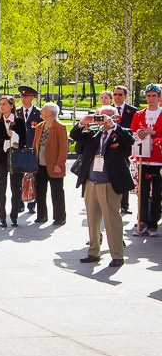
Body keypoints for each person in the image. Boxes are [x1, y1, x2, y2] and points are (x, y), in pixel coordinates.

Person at [70, 105, 134, 266]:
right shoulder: (93, 132)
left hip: (110, 182)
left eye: (105, 117)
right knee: (92, 218)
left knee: (112, 219)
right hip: (91, 181)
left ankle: (117, 255)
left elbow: (129, 141)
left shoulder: (121, 133)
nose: (101, 120)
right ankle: (93, 251)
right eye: (99, 116)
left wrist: (113, 126)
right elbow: (75, 135)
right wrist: (82, 123)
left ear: (115, 118)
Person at [0, 95, 27, 228]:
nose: (1, 106)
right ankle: (2, 217)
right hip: (0, 159)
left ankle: (14, 216)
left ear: (11, 106)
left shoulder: (19, 122)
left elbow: (24, 140)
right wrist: (6, 140)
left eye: (4, 104)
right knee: (1, 188)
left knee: (16, 189)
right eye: (0, 104)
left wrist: (16, 143)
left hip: (16, 159)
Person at [131, 84, 162, 237]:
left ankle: (153, 223)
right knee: (142, 191)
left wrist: (153, 132)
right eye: (148, 96)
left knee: (157, 192)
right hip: (142, 158)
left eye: (154, 96)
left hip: (158, 159)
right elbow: (133, 132)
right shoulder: (139, 114)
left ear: (159, 97)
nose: (151, 99)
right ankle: (142, 220)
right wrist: (139, 133)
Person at [32, 102, 68, 226]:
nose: (41, 111)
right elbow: (35, 145)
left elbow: (63, 148)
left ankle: (59, 217)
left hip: (54, 166)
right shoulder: (39, 126)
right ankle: (41, 216)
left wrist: (59, 164)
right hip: (40, 165)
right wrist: (32, 162)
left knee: (57, 192)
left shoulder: (60, 127)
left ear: (51, 113)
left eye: (43, 109)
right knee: (40, 191)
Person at [112, 85, 137, 215]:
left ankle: (124, 205)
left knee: (124, 174)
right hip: (109, 148)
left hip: (125, 148)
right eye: (115, 94)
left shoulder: (132, 111)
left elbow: (134, 130)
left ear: (126, 96)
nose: (117, 97)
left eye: (120, 94)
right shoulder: (108, 110)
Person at [17, 85, 41, 214]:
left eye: (26, 96)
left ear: (32, 98)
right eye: (21, 96)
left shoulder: (39, 113)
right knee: (18, 176)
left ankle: (32, 202)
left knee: (33, 176)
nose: (23, 98)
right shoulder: (17, 112)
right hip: (19, 150)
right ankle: (19, 202)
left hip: (33, 150)